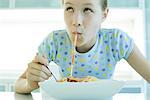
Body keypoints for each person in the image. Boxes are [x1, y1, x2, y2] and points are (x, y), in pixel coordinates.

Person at [14, 0, 150, 94]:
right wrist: (31, 84)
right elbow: (18, 84)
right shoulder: (54, 42)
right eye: (69, 9)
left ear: (104, 14)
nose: (76, 21)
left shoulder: (116, 40)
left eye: (87, 9)